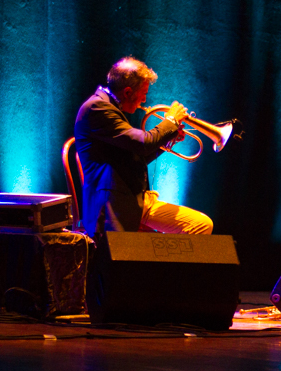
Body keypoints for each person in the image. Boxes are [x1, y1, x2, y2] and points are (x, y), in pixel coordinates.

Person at [73, 57, 213, 236]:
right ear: (128, 92)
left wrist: (166, 141)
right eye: (143, 93)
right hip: (114, 204)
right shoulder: (97, 108)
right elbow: (144, 143)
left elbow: (136, 155)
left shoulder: (108, 107)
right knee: (200, 226)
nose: (145, 100)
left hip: (134, 199)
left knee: (201, 224)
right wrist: (170, 120)